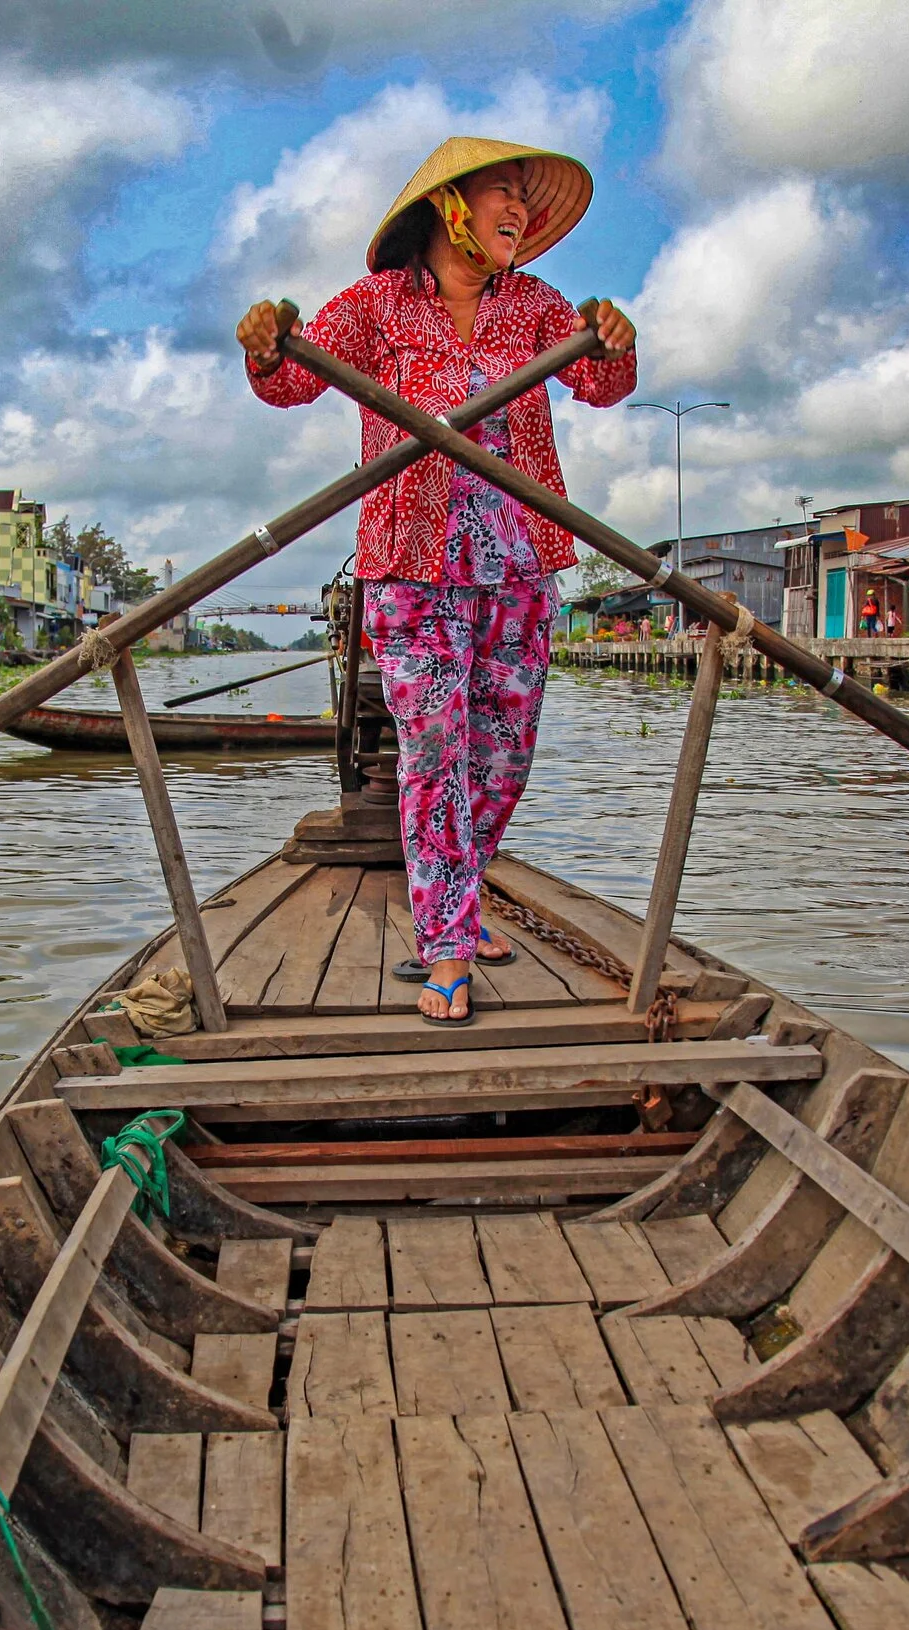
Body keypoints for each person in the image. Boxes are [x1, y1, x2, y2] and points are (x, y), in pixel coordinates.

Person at [237, 136, 637, 1023]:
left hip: (522, 564)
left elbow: (603, 384)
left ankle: (458, 893)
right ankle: (448, 941)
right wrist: (267, 343)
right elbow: (290, 380)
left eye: (524, 201)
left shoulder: (534, 305)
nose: (518, 213)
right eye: (501, 193)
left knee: (502, 756)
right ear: (449, 206)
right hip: (411, 567)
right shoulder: (380, 305)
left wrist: (613, 337)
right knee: (433, 751)